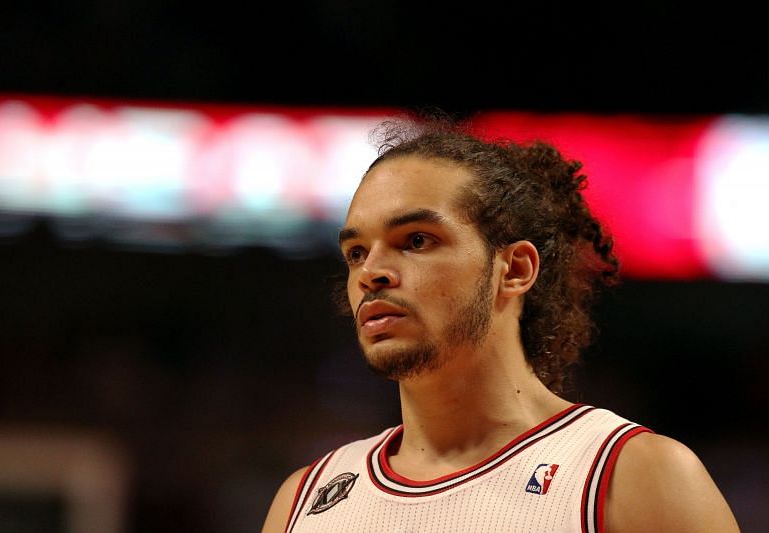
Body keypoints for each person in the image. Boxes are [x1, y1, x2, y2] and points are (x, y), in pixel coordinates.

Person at [262, 118, 740, 532]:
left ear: (513, 270)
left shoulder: (634, 476)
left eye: (417, 240)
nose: (371, 273)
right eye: (356, 252)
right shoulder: (304, 499)